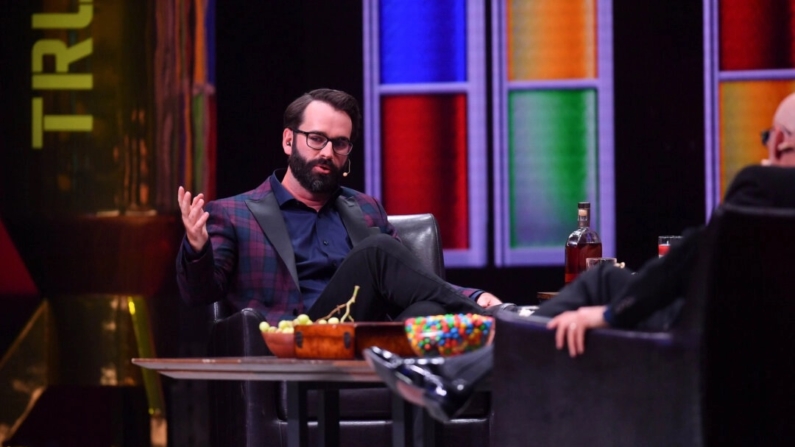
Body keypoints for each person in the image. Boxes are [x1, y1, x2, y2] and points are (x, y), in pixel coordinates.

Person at [365, 91, 795, 423]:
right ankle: (457, 375)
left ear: (779, 141)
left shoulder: (765, 187)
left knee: (595, 298)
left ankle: (457, 375)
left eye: (767, 136)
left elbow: (696, 258)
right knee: (599, 280)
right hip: (757, 341)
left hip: (703, 339)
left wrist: (608, 316)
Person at [176, 88, 502, 328]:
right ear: (289, 141)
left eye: (340, 143)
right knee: (377, 250)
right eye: (316, 139)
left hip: (366, 338)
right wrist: (196, 248)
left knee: (428, 311)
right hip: (298, 340)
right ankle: (495, 320)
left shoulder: (366, 208)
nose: (327, 152)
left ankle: (418, 415)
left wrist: (474, 294)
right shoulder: (233, 215)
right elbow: (199, 294)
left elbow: (411, 278)